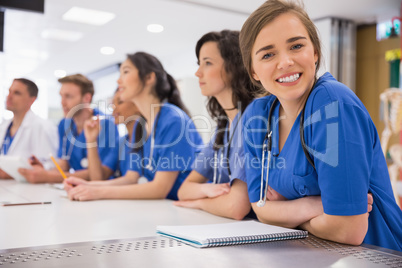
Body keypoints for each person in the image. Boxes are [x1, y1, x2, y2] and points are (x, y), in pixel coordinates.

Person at [238, 0, 402, 251]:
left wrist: (291, 215)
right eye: (268, 54)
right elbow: (260, 209)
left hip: (374, 255)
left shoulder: (332, 104)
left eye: (296, 46)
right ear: (254, 71)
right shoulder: (257, 117)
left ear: (314, 52)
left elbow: (349, 229)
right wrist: (314, 206)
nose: (285, 62)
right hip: (311, 253)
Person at [63, 52, 203, 201]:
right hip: (163, 208)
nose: (118, 80)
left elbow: (160, 189)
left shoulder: (173, 121)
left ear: (149, 78)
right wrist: (89, 186)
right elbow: (130, 178)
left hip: (186, 211)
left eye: (126, 72)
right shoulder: (140, 127)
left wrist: (98, 193)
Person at [175, 30, 262, 220]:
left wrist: (198, 202)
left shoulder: (252, 116)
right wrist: (207, 188)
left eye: (208, 63)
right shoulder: (223, 128)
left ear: (234, 67)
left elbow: (235, 207)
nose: (198, 73)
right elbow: (184, 190)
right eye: (199, 64)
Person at [19, 74, 119, 183]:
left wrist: (48, 177)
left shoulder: (106, 125)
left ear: (87, 98)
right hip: (76, 187)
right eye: (61, 96)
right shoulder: (64, 124)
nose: (62, 103)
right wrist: (43, 171)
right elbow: (64, 163)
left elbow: (99, 174)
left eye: (68, 96)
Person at [0, 78, 58, 179]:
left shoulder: (43, 127)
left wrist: (13, 172)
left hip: (28, 190)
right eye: (9, 91)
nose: (9, 96)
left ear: (32, 100)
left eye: (17, 93)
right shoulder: (4, 126)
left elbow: (51, 165)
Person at [84, 89, 140, 180]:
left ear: (138, 105)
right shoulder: (122, 142)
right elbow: (98, 178)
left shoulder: (148, 139)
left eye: (120, 102)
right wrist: (91, 140)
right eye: (113, 103)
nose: (114, 107)